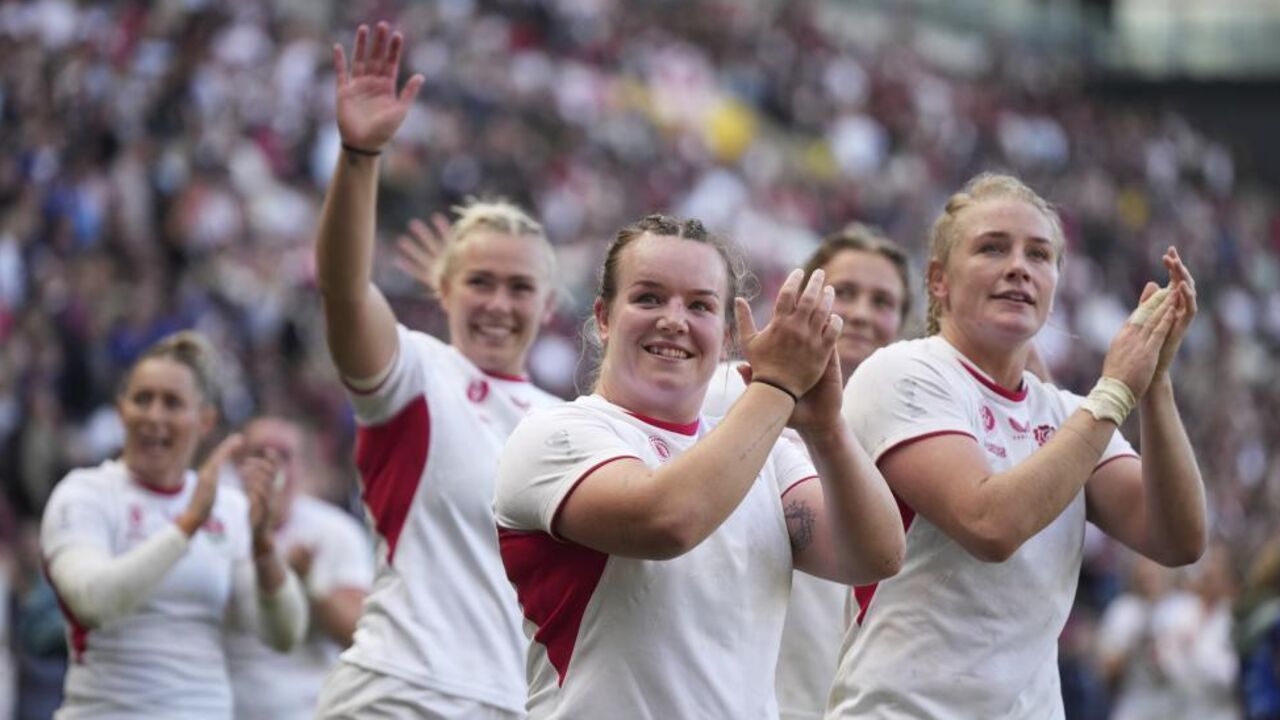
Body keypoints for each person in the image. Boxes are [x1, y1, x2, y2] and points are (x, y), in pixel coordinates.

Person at [826, 172, 1207, 719]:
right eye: (992, 248)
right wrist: (1117, 391)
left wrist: (1156, 383)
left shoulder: (1071, 413)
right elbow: (988, 524)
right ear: (939, 281)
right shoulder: (903, 371)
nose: (1019, 267)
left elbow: (1178, 539)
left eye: (1039, 255)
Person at [493, 213, 906, 718]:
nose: (674, 320)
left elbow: (877, 556)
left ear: (728, 333)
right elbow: (668, 521)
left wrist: (827, 429)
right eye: (648, 298)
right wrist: (775, 388)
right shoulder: (554, 436)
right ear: (603, 317)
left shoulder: (769, 453)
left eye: (700, 305)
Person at [312, 22, 562, 719]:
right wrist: (361, 156)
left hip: (517, 708)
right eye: (479, 281)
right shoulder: (418, 371)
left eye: (519, 288)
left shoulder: (571, 424)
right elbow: (342, 288)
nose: (499, 303)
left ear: (549, 307)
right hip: (398, 695)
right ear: (443, 290)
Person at [701, 223, 912, 720]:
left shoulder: (918, 435)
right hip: (738, 695)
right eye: (846, 293)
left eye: (882, 302)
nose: (861, 313)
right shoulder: (728, 392)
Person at [39, 331, 308, 720]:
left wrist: (264, 547)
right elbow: (92, 602)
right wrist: (186, 526)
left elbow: (284, 634)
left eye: (172, 403)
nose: (154, 416)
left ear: (205, 420)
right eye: (142, 399)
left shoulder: (227, 508)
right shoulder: (85, 494)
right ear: (121, 410)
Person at [225, 417, 374, 720]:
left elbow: (359, 635)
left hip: (310, 708)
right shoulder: (215, 528)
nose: (272, 465)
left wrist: (309, 584)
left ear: (303, 466)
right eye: (259, 453)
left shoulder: (335, 532)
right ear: (238, 464)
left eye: (284, 455)